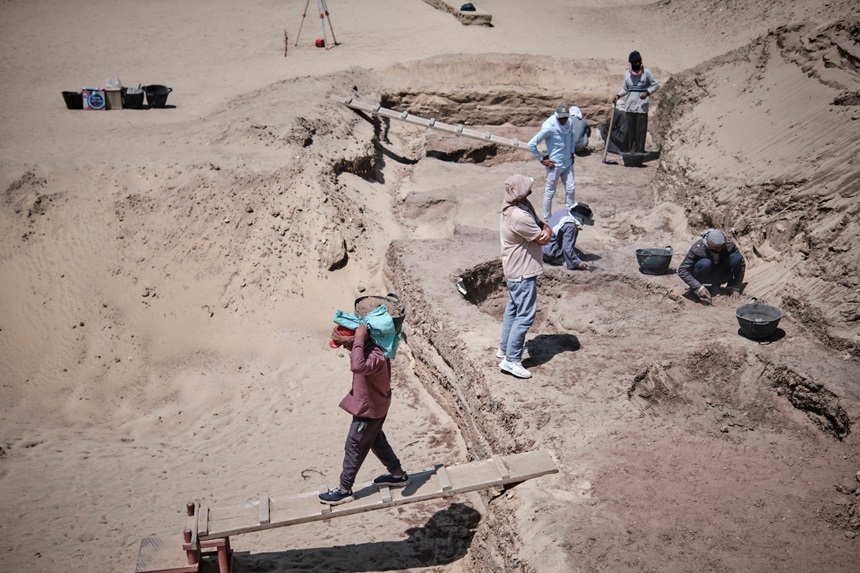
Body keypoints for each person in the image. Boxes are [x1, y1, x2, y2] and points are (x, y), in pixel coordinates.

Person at [319, 322, 409, 506]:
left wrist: (358, 338)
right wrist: (359, 341)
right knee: (376, 440)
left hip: (369, 411)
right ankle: (398, 475)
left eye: (345, 344)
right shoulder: (374, 350)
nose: (344, 348)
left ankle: (344, 489)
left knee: (354, 445)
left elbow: (358, 366)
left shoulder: (374, 355)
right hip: (374, 405)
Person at [497, 174, 551, 379]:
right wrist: (547, 230)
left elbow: (541, 224)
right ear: (518, 191)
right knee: (525, 315)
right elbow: (542, 238)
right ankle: (511, 360)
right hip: (522, 272)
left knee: (513, 309)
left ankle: (504, 349)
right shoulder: (518, 216)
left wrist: (545, 227)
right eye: (527, 189)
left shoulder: (521, 204)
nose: (530, 191)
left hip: (515, 269)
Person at [528, 103, 576, 221]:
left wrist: (572, 152)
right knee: (550, 192)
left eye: (566, 118)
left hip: (567, 163)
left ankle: (570, 215)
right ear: (557, 116)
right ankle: (548, 219)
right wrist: (541, 159)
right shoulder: (550, 127)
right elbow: (531, 144)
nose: (564, 120)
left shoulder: (569, 123)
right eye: (562, 118)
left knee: (571, 189)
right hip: (554, 165)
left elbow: (572, 136)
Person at [677, 229, 746, 303]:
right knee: (705, 263)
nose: (719, 250)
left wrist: (736, 286)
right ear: (708, 244)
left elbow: (741, 263)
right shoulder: (698, 248)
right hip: (703, 275)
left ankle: (728, 287)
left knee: (736, 258)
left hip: (719, 274)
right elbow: (682, 270)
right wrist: (698, 287)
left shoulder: (729, 245)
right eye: (716, 248)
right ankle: (695, 291)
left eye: (721, 247)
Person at [611, 51, 659, 154]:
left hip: (641, 108)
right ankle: (631, 152)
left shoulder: (646, 73)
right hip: (630, 107)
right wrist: (618, 95)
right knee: (631, 131)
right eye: (635, 63)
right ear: (631, 63)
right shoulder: (628, 74)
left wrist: (647, 92)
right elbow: (625, 89)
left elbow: (655, 85)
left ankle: (639, 152)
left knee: (640, 132)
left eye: (639, 62)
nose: (637, 64)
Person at [542, 202, 593, 271]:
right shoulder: (571, 226)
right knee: (571, 251)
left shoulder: (562, 212)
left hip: (541, 246)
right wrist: (578, 262)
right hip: (549, 253)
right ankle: (558, 259)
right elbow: (567, 248)